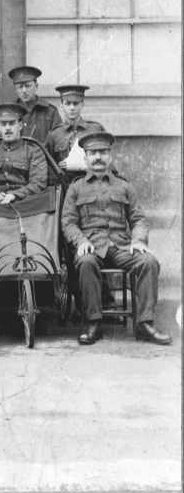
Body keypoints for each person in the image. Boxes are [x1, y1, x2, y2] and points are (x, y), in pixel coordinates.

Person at [61, 132, 171, 346]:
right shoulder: (75, 188)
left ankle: (145, 323)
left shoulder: (124, 186)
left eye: (103, 152)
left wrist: (138, 241)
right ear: (85, 159)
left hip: (122, 248)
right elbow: (68, 222)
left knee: (148, 262)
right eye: (92, 153)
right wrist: (81, 241)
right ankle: (94, 323)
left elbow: (139, 219)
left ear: (110, 157)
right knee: (85, 262)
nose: (98, 157)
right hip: (92, 247)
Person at [0, 103, 48, 204]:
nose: (7, 128)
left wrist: (14, 195)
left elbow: (38, 183)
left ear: (20, 125)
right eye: (3, 124)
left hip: (24, 204)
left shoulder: (34, 151)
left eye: (12, 123)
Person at [44, 85, 106, 179]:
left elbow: (106, 159)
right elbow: (49, 167)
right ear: (61, 106)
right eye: (67, 104)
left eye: (76, 103)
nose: (72, 108)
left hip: (92, 182)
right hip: (65, 185)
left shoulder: (96, 130)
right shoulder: (55, 135)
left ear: (83, 104)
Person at [7, 66, 62, 143]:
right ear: (16, 89)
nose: (24, 91)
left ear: (36, 86)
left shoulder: (51, 112)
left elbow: (58, 140)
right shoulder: (9, 112)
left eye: (28, 86)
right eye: (20, 87)